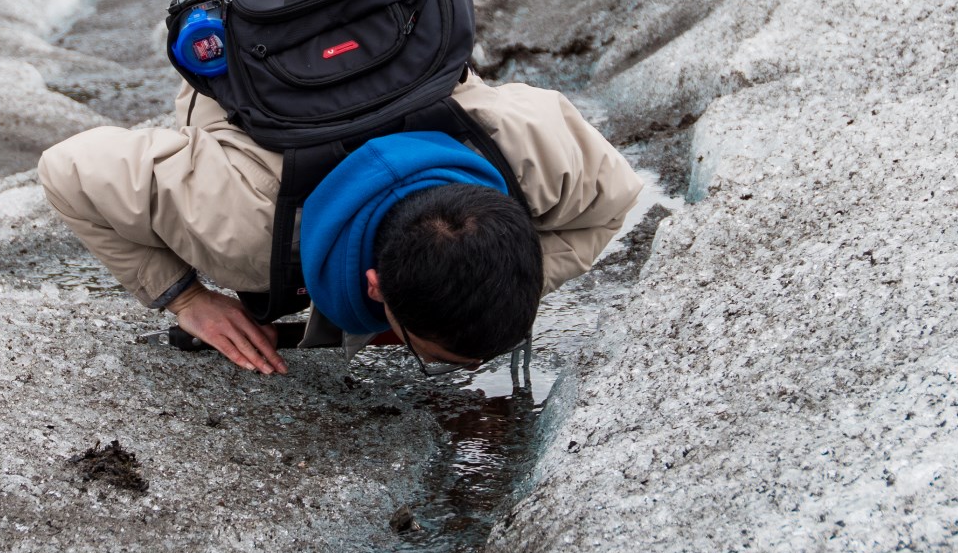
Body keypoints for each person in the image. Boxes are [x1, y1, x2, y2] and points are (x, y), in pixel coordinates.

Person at [38, 74, 641, 375]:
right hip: (257, 80)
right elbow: (66, 169)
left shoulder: (540, 156)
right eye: (416, 349)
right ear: (376, 287)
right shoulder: (236, 224)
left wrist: (503, 282)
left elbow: (615, 202)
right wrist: (187, 297)